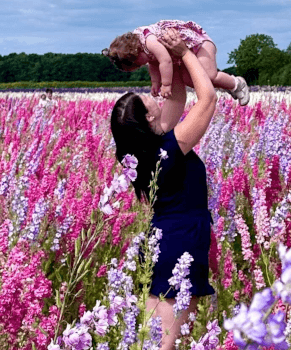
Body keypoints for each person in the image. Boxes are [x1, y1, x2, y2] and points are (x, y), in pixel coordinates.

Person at [110, 28, 217, 350]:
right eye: (148, 100)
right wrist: (184, 53)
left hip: (166, 239)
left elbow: (178, 97)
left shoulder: (148, 151)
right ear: (147, 118)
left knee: (155, 337)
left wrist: (165, 62)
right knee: (165, 343)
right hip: (179, 241)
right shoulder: (168, 150)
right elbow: (207, 99)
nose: (155, 97)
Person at [102, 19, 249, 106]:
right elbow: (153, 64)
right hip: (186, 53)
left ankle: (236, 83)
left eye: (138, 65)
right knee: (190, 80)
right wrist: (155, 83)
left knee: (208, 76)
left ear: (135, 54)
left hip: (199, 44)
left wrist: (166, 85)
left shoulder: (149, 41)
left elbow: (165, 61)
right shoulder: (143, 50)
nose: (141, 66)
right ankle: (228, 86)